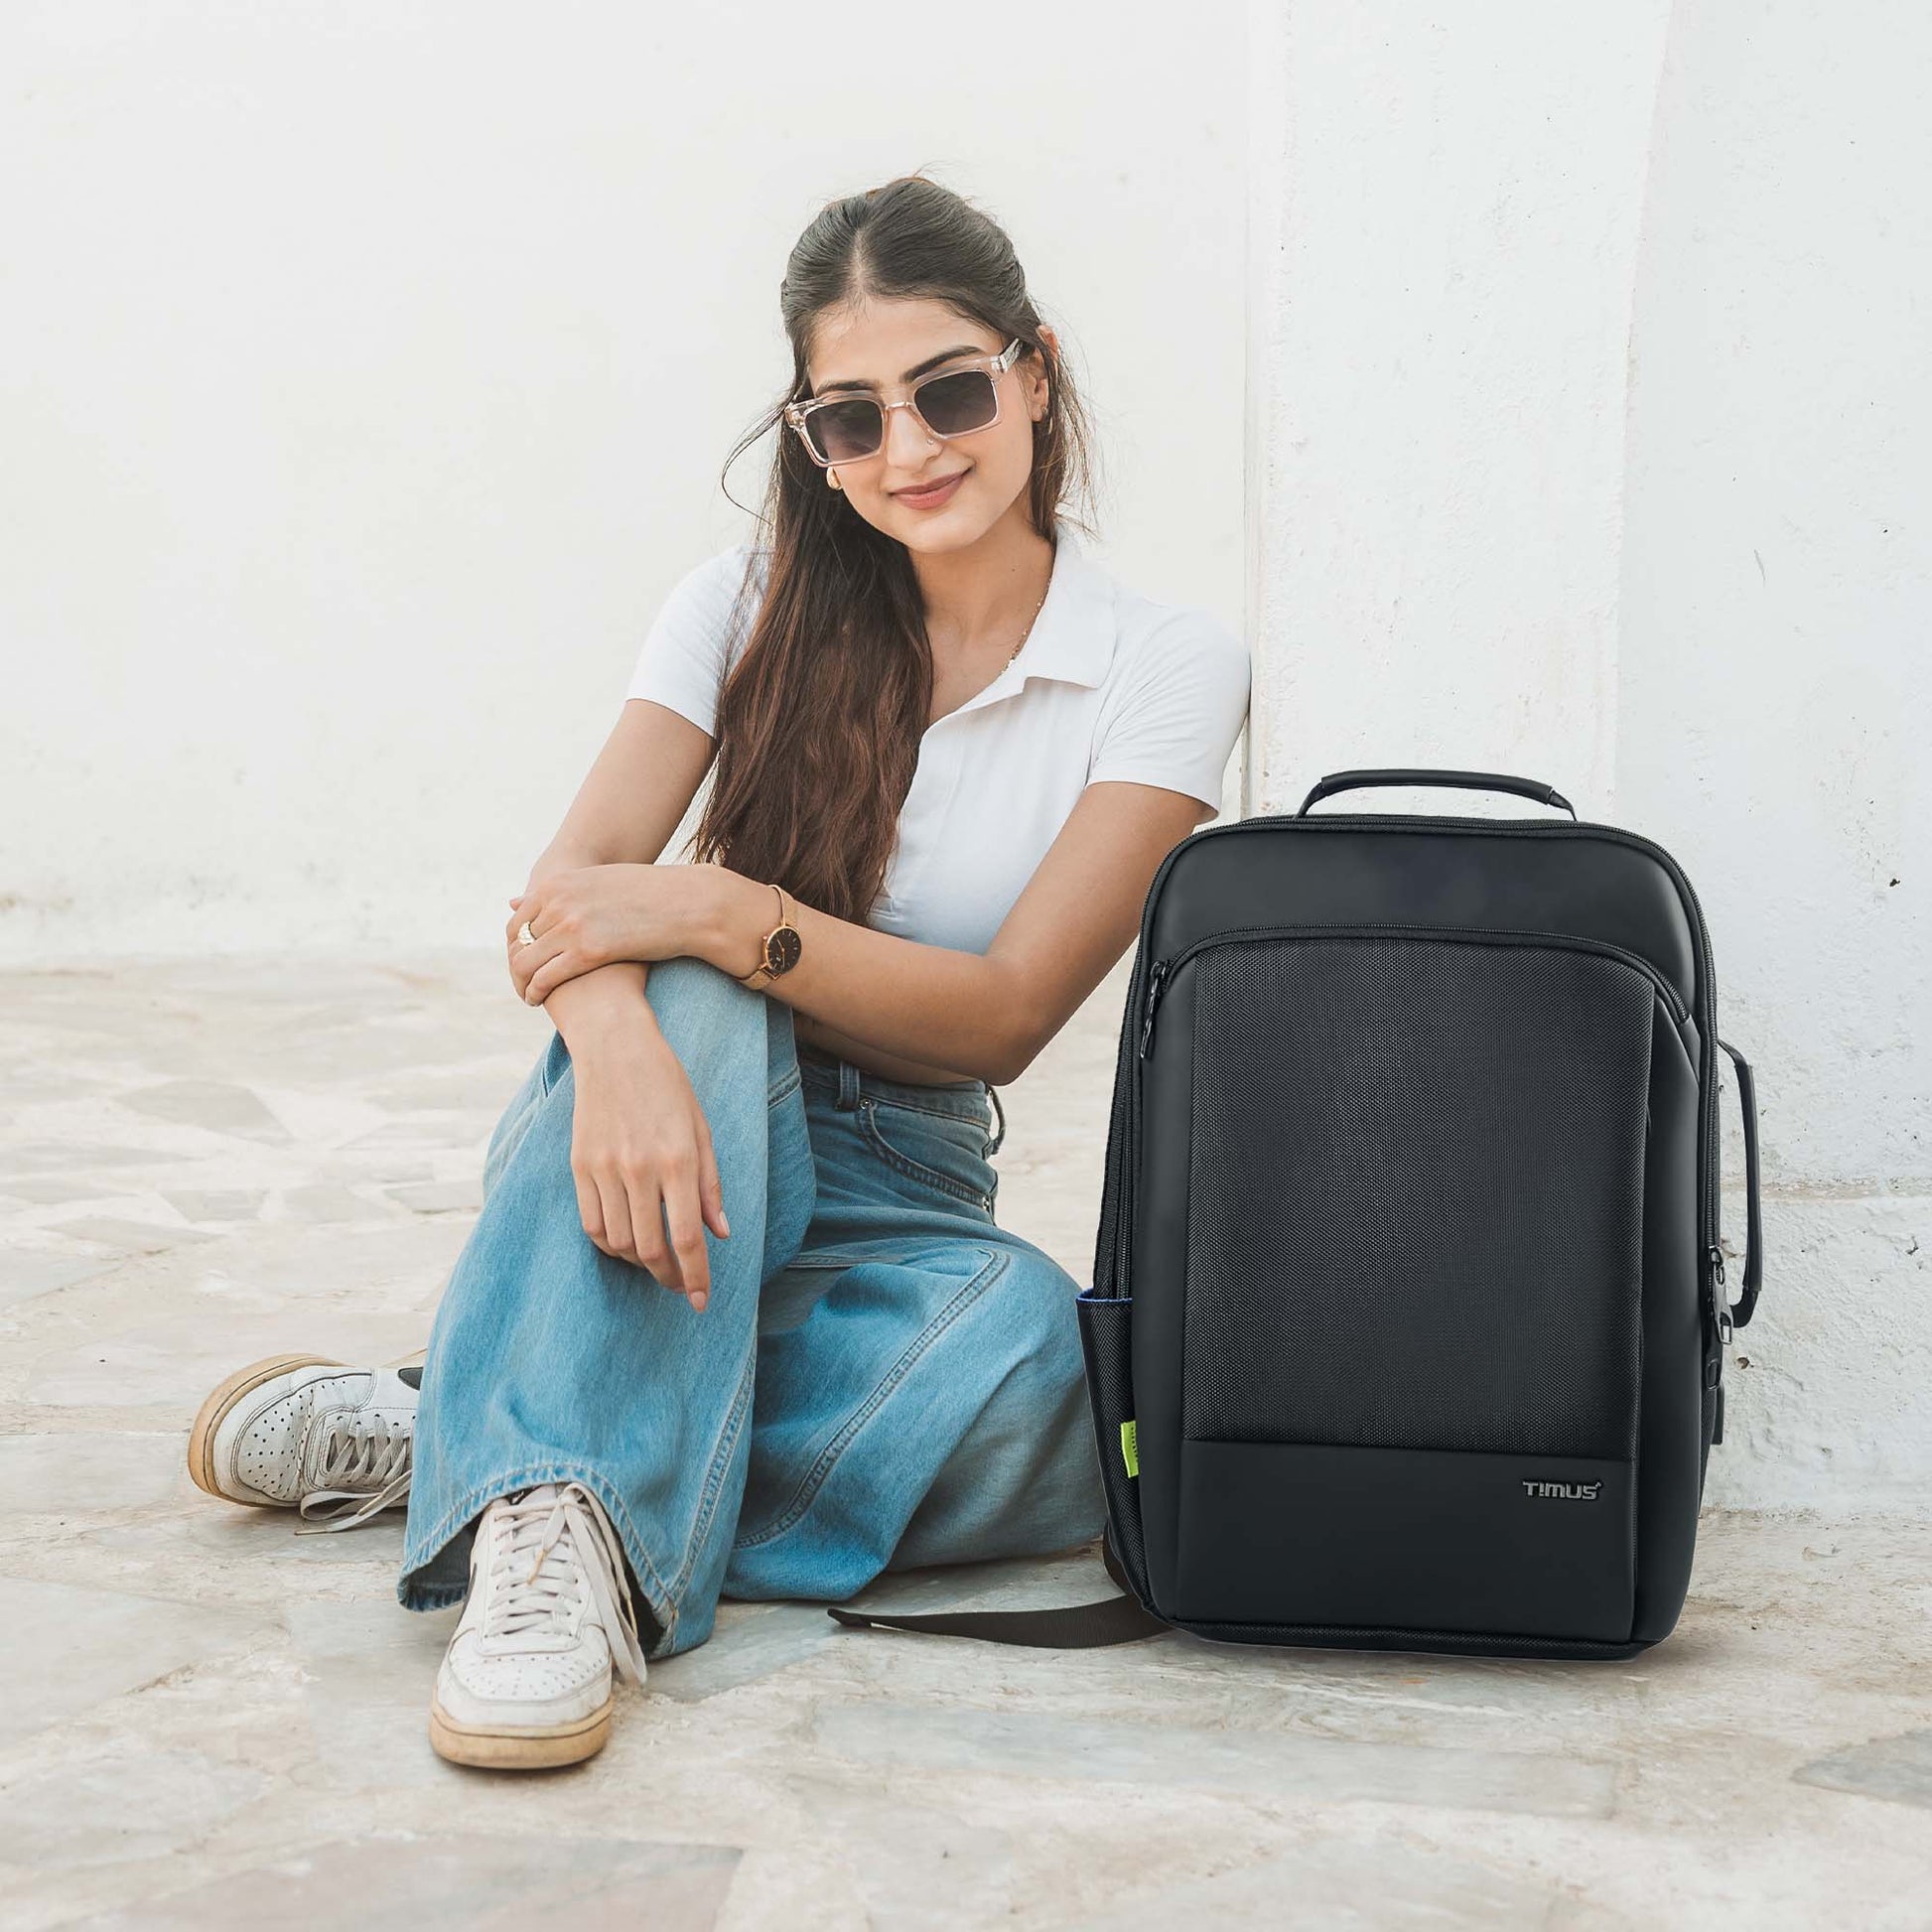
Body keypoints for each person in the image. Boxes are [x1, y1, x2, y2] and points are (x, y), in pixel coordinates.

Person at [183, 173, 1251, 1770]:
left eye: (949, 390)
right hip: (671, 1112)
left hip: (907, 1165)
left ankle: (480, 1431)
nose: (910, 450)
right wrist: (620, 1040)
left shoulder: (1164, 663)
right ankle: (564, 1551)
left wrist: (723, 911)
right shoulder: (740, 605)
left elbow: (1009, 1014)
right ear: (810, 435)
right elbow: (567, 901)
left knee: (1037, 1361)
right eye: (851, 419)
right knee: (690, 987)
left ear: (1032, 373)